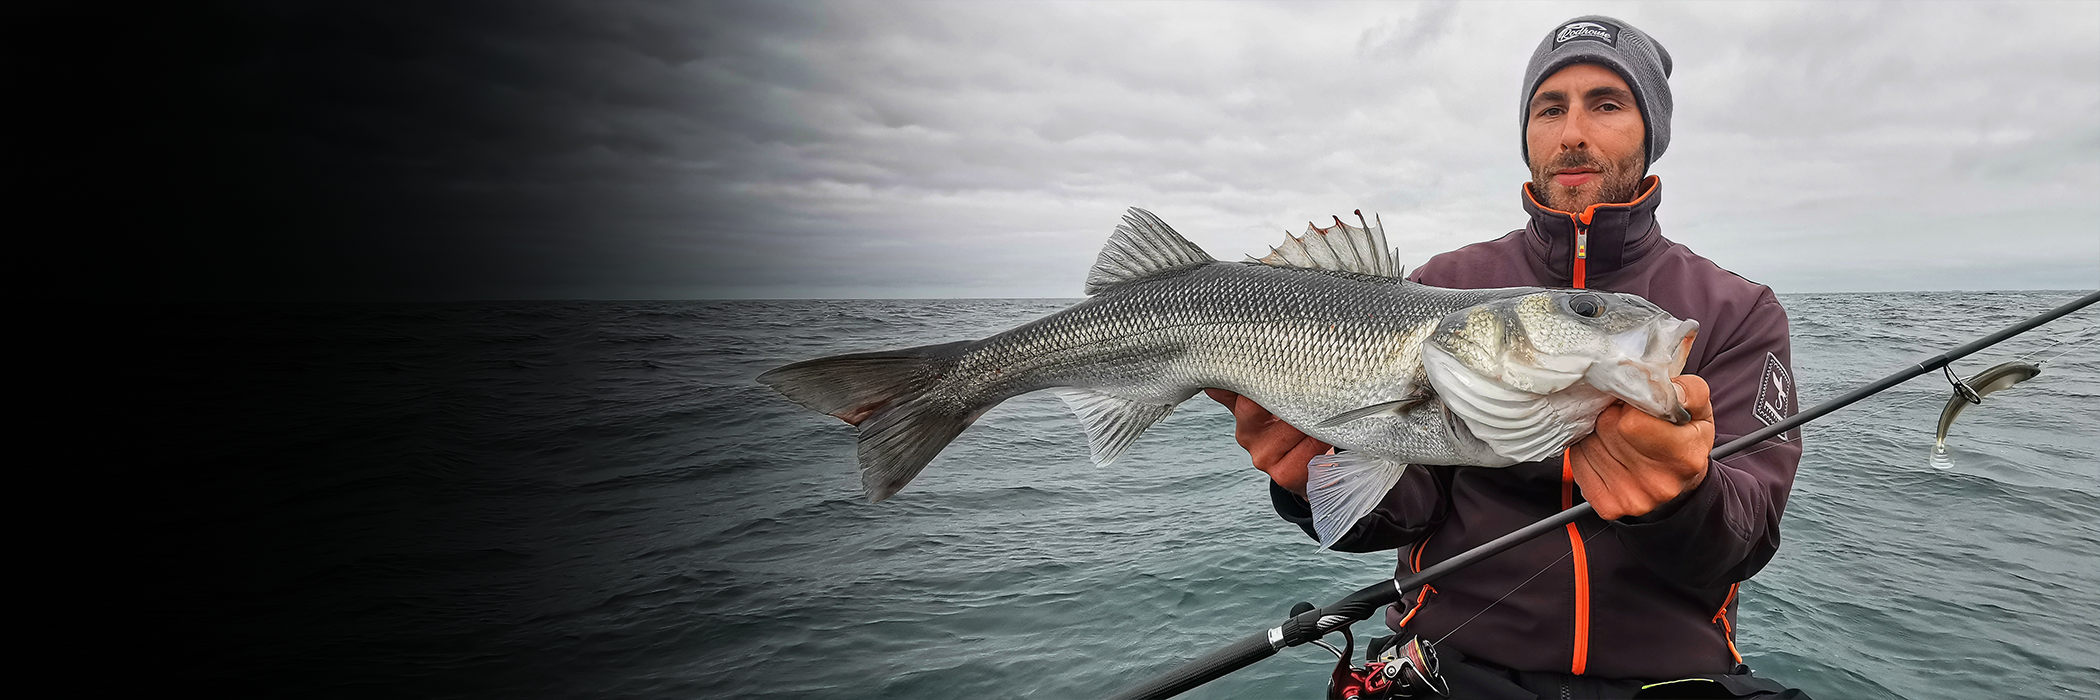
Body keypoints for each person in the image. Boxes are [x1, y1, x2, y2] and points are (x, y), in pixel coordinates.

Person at [1206, 16, 1807, 699]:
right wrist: (1308, 477)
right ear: (1526, 136)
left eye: (1606, 103)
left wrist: (1682, 500)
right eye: (1549, 108)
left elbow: (1747, 537)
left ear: (1651, 132)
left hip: (1672, 681)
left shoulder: (1732, 310)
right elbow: (1407, 507)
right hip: (1446, 672)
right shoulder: (1443, 286)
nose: (1572, 132)